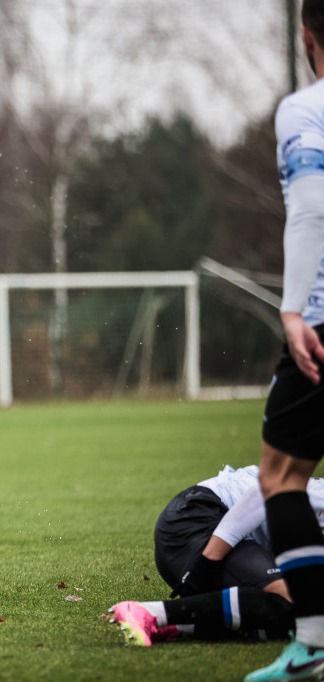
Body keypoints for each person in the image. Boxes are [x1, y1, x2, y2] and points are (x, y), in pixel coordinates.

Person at [242, 2, 324, 679]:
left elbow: (310, 207)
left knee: (282, 475)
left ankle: (315, 646)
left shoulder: (306, 108)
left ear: (307, 34)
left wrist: (295, 310)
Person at [109, 465, 324, 646]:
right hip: (195, 521)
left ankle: (179, 624)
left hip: (211, 538)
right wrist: (207, 561)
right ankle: (148, 612)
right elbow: (264, 488)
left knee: (305, 616)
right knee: (289, 601)